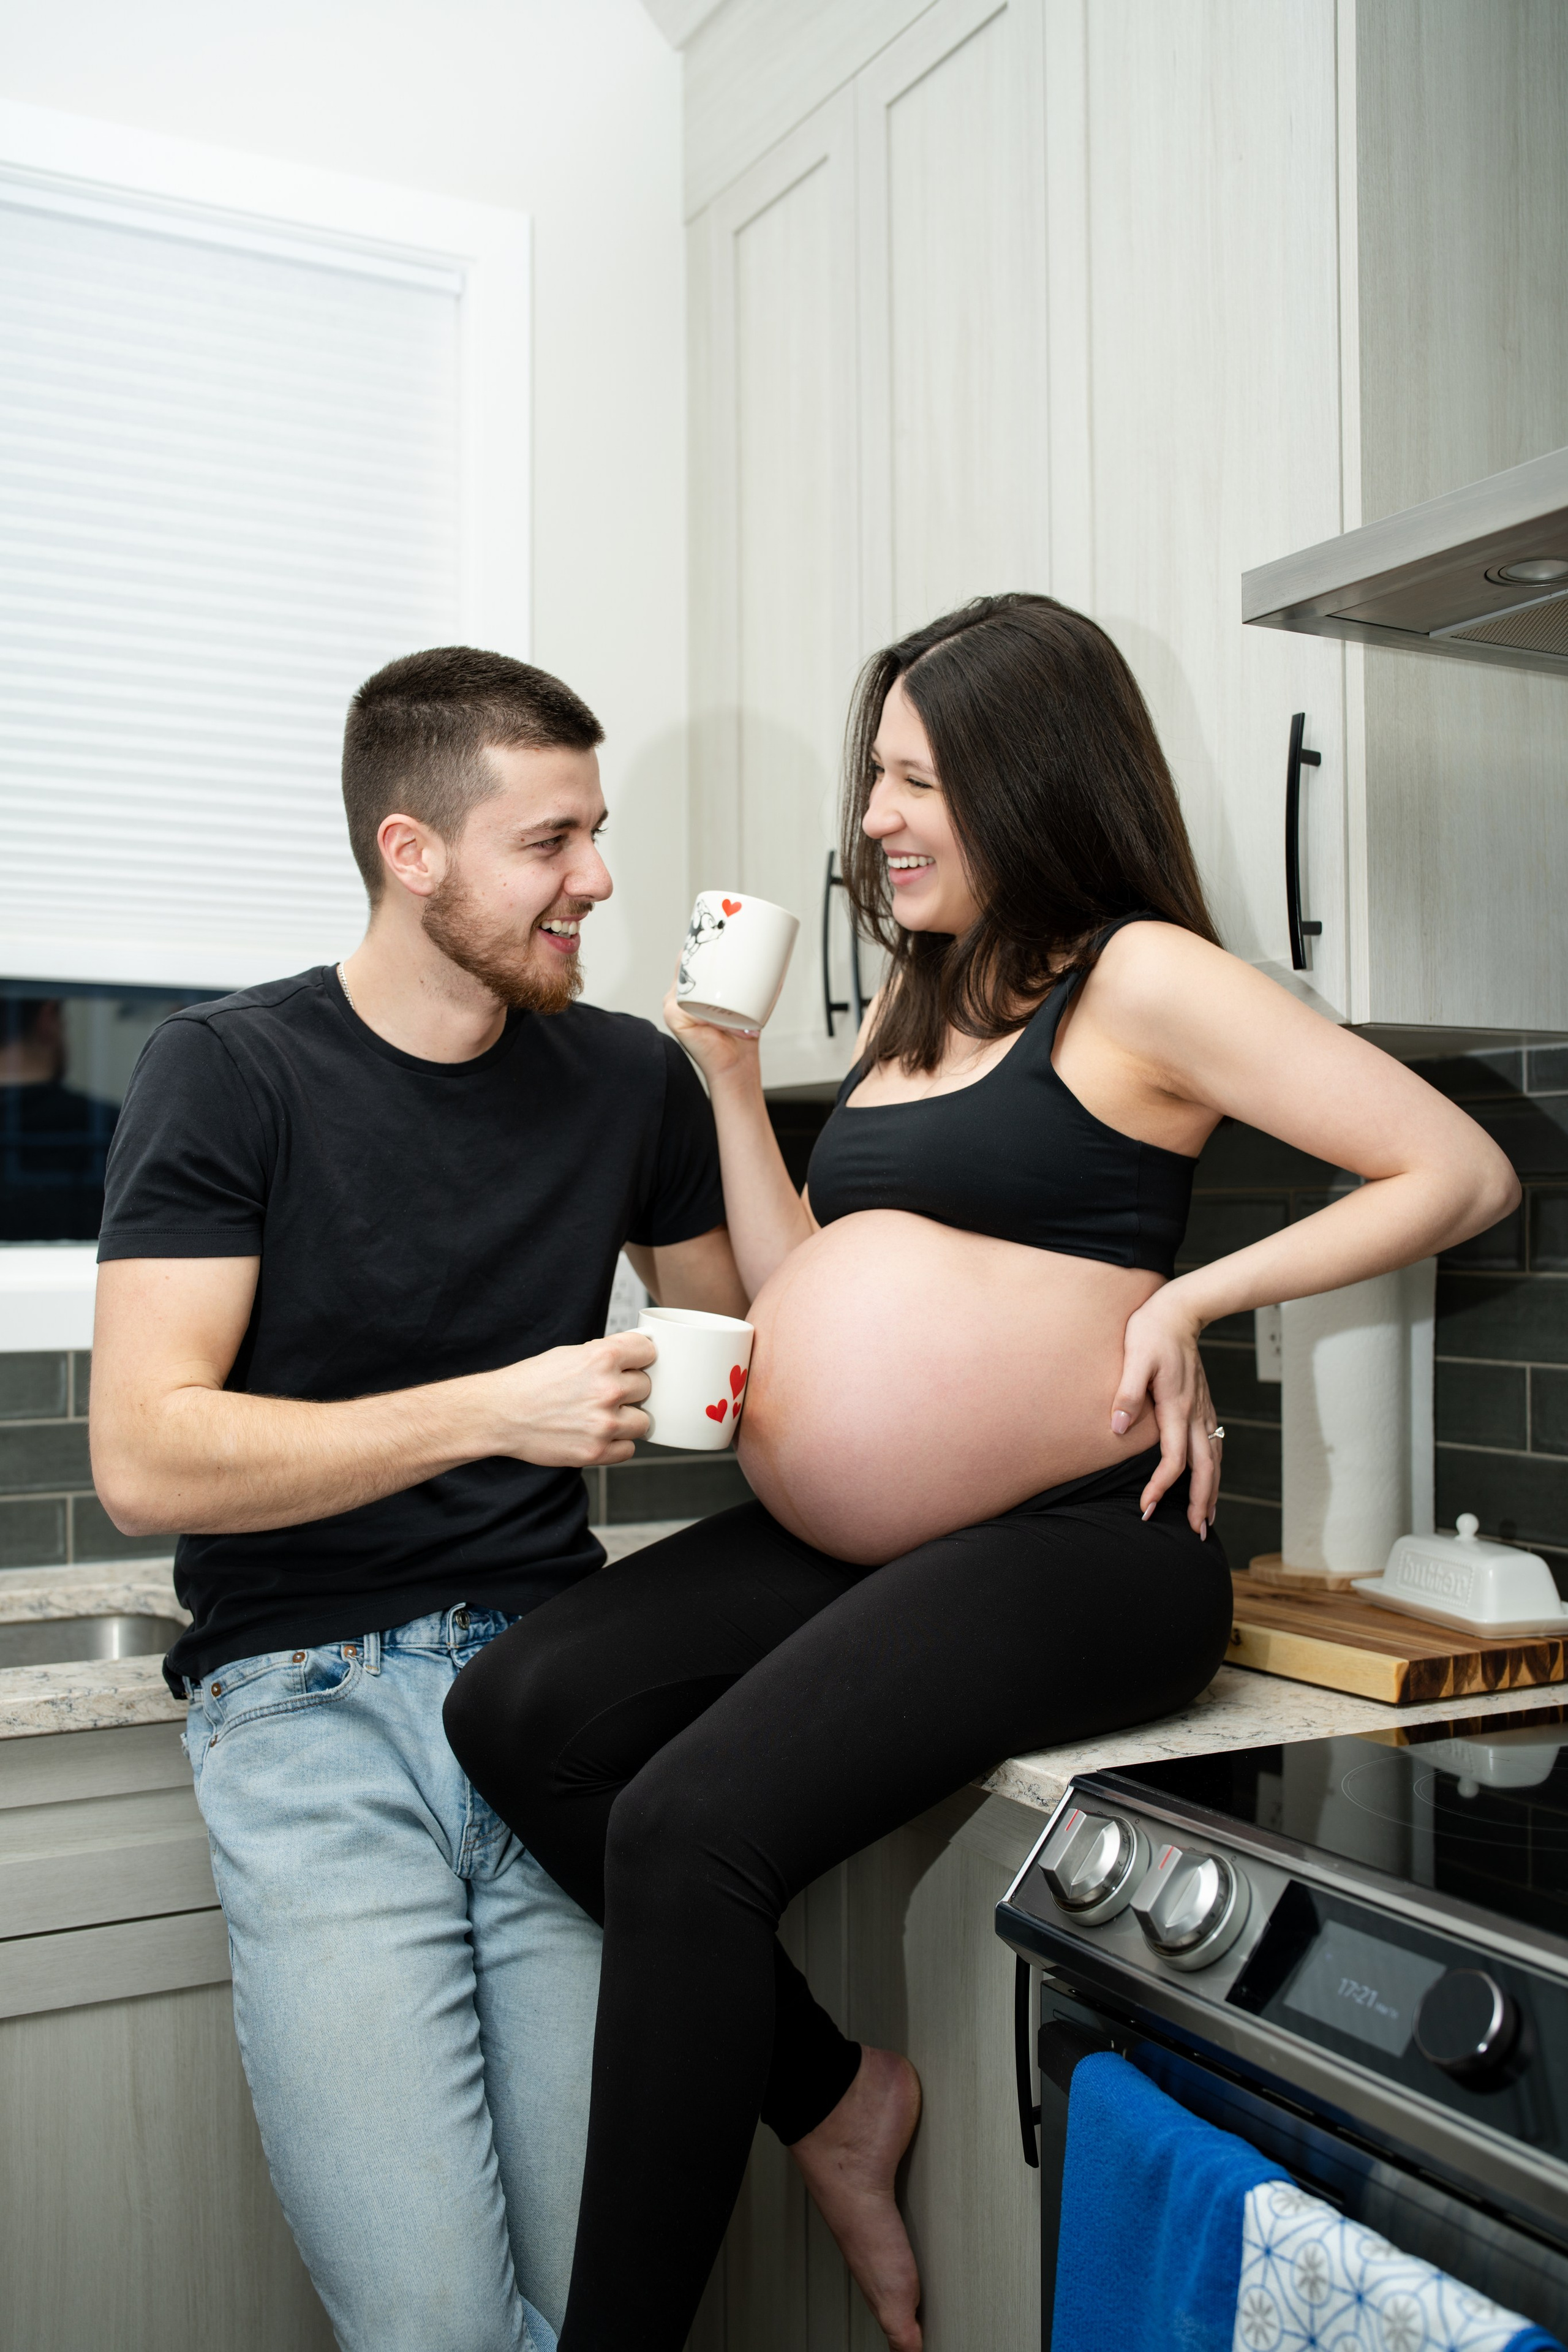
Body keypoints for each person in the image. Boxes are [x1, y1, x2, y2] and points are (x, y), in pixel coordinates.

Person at [443, 594, 1520, 2352]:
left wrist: (1197, 1294)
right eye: (877, 778)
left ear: (1029, 781)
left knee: (688, 1823)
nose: (874, 821)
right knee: (520, 1713)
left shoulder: (1142, 975)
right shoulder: (924, 999)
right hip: (876, 1541)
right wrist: (724, 1077)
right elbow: (810, 1294)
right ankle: (840, 2094)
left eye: (913, 779)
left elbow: (1455, 1170)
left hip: (1086, 1546)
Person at [88, 647, 747, 2352]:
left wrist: (732, 1074)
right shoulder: (227, 1071)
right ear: (413, 850)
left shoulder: (629, 1081)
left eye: (599, 832)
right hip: (304, 1719)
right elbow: (146, 1449)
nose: (598, 878)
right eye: (552, 842)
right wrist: (498, 1410)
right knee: (442, 2333)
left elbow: (759, 1357)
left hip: (554, 1707)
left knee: (614, 2308)